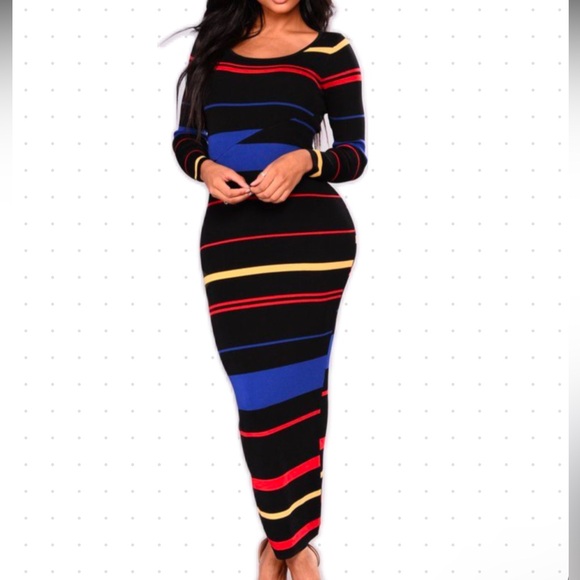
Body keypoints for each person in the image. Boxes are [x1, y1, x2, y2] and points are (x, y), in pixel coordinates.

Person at [171, 1, 367, 578]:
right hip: (233, 245)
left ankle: (289, 546)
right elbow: (185, 138)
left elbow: (354, 154)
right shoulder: (212, 47)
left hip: (312, 241)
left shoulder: (331, 50)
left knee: (300, 395)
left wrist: (305, 160)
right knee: (258, 403)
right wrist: (206, 168)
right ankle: (290, 543)